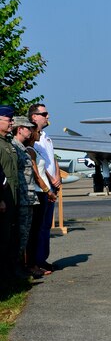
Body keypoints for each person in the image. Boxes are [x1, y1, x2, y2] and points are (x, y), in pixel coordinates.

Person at [28, 103, 61, 271]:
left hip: (52, 185)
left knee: (47, 225)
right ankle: (37, 260)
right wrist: (49, 180)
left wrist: (58, 176)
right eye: (44, 114)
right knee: (39, 226)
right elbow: (37, 164)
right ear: (34, 117)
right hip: (42, 187)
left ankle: (43, 258)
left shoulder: (46, 136)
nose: (47, 116)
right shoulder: (33, 138)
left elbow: (51, 158)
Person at [25, 125, 57, 277]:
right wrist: (48, 190)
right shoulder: (30, 150)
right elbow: (36, 175)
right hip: (39, 193)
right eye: (37, 132)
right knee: (36, 230)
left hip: (43, 193)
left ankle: (38, 261)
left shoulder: (35, 149)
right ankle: (34, 263)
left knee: (41, 228)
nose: (39, 134)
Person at [12, 116, 37, 275]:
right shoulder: (14, 147)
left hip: (27, 198)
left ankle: (20, 268)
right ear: (19, 129)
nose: (30, 131)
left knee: (25, 235)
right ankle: (16, 270)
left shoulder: (22, 147)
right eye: (28, 128)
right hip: (21, 198)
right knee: (19, 237)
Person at [0, 105, 18, 284]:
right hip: (3, 200)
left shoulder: (7, 143)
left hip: (12, 199)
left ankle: (10, 275)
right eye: (8, 120)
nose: (11, 123)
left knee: (11, 238)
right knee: (3, 240)